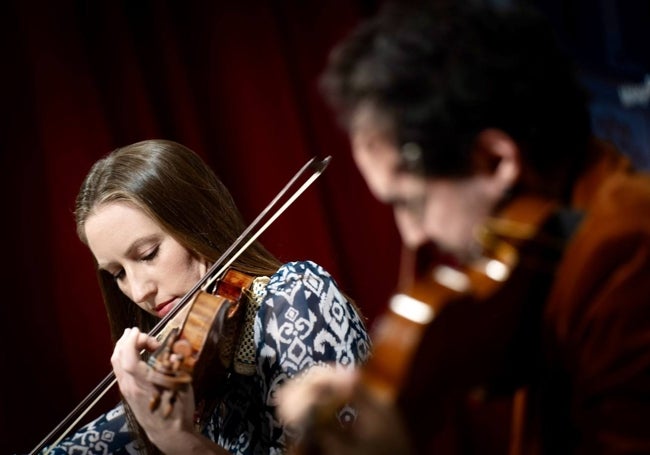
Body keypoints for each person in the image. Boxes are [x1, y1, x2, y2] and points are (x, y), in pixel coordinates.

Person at [276, 1, 650, 454]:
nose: (413, 236)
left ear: (495, 161)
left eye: (410, 202)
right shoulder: (552, 247)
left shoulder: (623, 257)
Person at [44, 139, 371, 454]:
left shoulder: (294, 295)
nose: (140, 291)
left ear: (198, 224)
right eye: (118, 274)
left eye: (148, 254)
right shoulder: (181, 369)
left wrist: (179, 441)